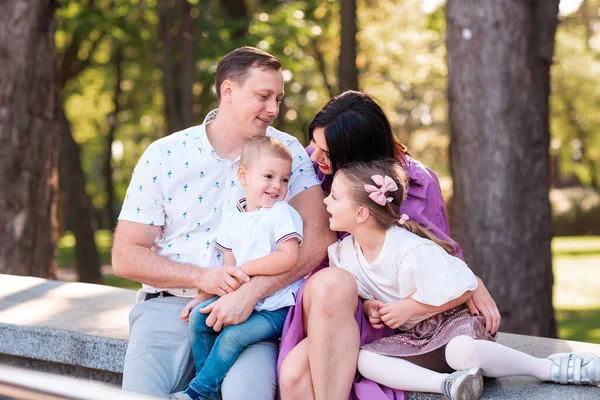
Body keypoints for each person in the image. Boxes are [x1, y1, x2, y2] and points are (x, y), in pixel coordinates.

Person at [112, 46, 333, 398]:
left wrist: (249, 293)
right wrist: (203, 277)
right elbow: (125, 256)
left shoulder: (287, 152)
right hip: (170, 306)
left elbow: (319, 238)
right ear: (228, 91)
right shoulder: (165, 154)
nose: (274, 109)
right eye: (264, 96)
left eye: (278, 98)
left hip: (253, 310)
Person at [278, 91, 501, 399]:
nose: (313, 155)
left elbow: (436, 251)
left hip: (389, 311)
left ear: (358, 155)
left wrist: (469, 281)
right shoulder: (310, 172)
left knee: (295, 374)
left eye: (325, 151)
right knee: (333, 286)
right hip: (330, 304)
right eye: (314, 143)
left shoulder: (419, 182)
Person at [326, 159, 600, 400]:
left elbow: (465, 288)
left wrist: (412, 307)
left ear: (361, 214)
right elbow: (361, 292)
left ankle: (547, 368)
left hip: (452, 325)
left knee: (461, 352)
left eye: (334, 197)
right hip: (416, 338)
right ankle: (448, 384)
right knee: (364, 359)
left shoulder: (410, 249)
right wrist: (368, 306)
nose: (326, 201)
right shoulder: (344, 254)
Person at [171, 137, 304, 400]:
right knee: (200, 317)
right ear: (243, 175)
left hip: (277, 308)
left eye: (285, 179)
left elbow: (289, 257)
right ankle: (209, 385)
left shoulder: (281, 214)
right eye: (269, 176)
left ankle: (200, 391)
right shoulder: (232, 218)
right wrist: (205, 296)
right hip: (247, 302)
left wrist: (248, 268)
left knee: (233, 336)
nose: (277, 185)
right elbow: (228, 269)